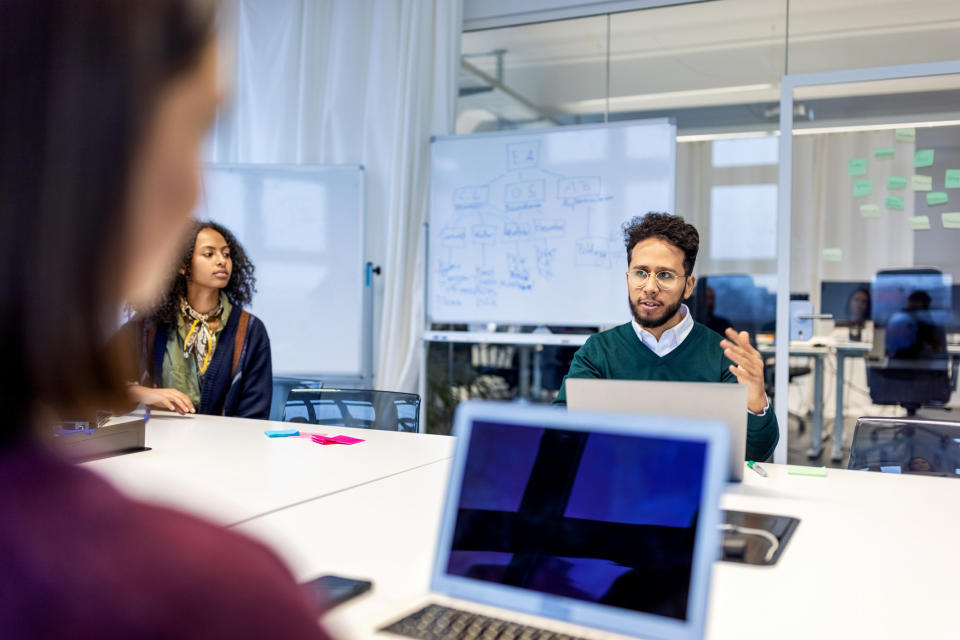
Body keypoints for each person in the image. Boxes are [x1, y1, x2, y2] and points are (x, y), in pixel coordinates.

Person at [0, 1, 327, 637]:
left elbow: (251, 418)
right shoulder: (214, 594)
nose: (197, 186)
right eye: (197, 128)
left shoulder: (247, 332)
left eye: (224, 252)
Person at [554, 213, 779, 462]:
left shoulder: (722, 354)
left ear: (689, 286)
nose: (650, 287)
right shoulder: (598, 351)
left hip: (696, 492)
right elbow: (560, 433)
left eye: (665, 275)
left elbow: (756, 452)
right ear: (628, 278)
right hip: (616, 486)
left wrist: (756, 400)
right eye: (641, 273)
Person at [121, 220, 273, 419]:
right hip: (158, 445)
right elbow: (96, 381)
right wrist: (143, 392)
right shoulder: (149, 324)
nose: (222, 261)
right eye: (209, 254)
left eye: (226, 254)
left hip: (227, 446)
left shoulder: (251, 329)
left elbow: (255, 413)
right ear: (182, 265)